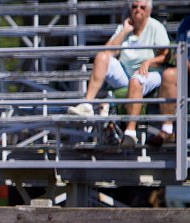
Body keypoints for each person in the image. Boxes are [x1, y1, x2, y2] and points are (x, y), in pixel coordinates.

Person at [67, 0, 169, 148]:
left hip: (150, 73)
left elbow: (165, 55)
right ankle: (87, 104)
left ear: (148, 10)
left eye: (142, 7)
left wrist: (148, 62)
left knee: (136, 79)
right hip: (126, 73)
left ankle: (130, 133)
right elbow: (107, 52)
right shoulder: (124, 26)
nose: (138, 10)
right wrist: (124, 32)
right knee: (101, 58)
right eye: (134, 7)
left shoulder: (155, 27)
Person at [148, 13, 190, 147]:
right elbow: (178, 52)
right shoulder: (188, 22)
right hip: (188, 69)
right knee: (169, 75)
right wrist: (189, 66)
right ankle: (167, 130)